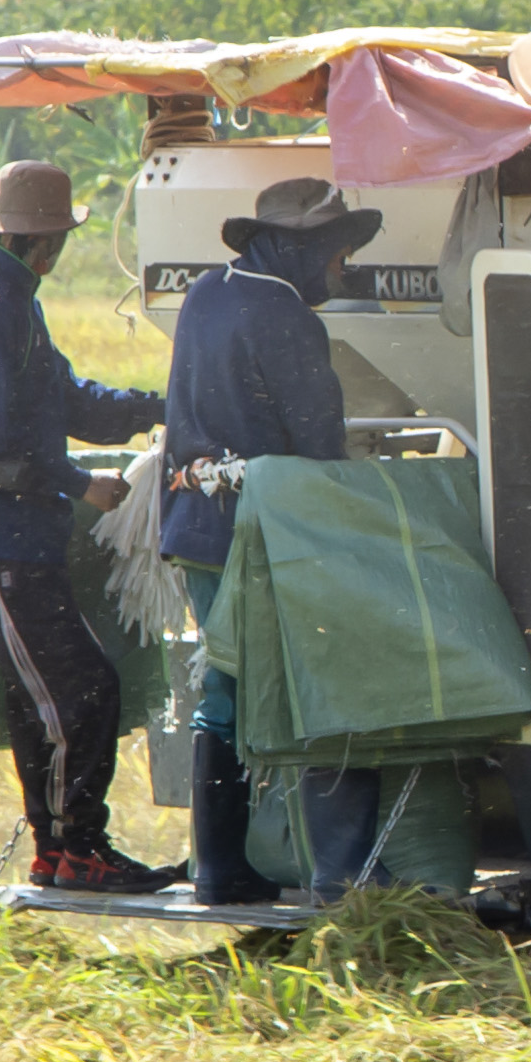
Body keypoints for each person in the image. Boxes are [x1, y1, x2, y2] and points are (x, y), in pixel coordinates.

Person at [0, 160, 172, 891]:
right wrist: (79, 485)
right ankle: (78, 852)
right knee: (79, 689)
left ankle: (59, 853)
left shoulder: (9, 299)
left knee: (49, 695)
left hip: (16, 536)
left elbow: (67, 401)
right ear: (51, 240)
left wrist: (160, 405)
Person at [160, 173, 377, 905]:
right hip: (262, 538)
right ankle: (337, 882)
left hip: (195, 528)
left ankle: (218, 870)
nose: (340, 268)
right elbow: (316, 449)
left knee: (220, 697)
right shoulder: (285, 314)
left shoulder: (206, 294)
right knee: (319, 688)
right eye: (337, 253)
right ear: (297, 248)